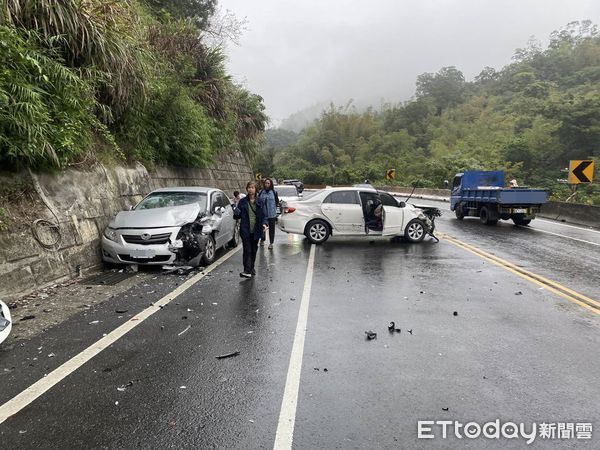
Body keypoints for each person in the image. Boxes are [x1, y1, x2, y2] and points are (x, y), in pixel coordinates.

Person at [234, 181, 267, 278]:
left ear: (256, 189)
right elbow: (237, 216)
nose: (250, 189)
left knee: (253, 250)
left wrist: (265, 224)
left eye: (252, 187)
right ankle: (247, 270)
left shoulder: (260, 201)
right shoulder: (243, 201)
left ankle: (251, 268)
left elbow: (264, 215)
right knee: (247, 250)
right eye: (249, 187)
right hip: (245, 230)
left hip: (256, 230)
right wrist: (235, 211)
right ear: (247, 189)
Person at [258, 177, 279, 249]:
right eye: (266, 183)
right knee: (262, 228)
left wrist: (274, 209)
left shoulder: (274, 192)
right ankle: (262, 240)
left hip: (272, 214)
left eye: (268, 183)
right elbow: (258, 201)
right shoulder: (261, 192)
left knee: (272, 229)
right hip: (263, 214)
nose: (267, 184)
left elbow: (276, 202)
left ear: (271, 184)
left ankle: (271, 243)